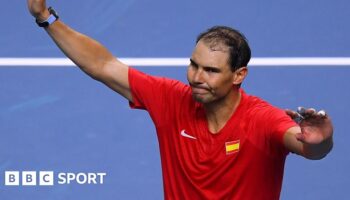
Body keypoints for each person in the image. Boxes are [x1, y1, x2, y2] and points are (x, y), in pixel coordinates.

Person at [27, 0, 334, 199]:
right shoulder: (171, 99)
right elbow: (104, 65)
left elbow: (307, 147)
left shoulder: (261, 119)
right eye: (194, 65)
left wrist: (320, 140)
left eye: (211, 71)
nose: (197, 78)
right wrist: (46, 19)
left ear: (239, 75)